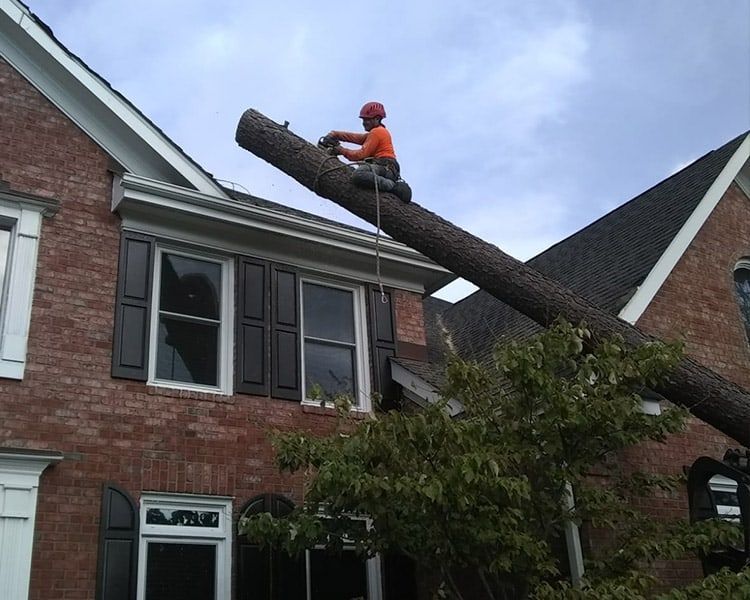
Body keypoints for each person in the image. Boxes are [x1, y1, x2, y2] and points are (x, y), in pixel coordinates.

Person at [327, 102, 412, 202]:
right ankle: (385, 183)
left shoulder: (377, 132)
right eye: (363, 119)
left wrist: (341, 150)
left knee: (359, 174)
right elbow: (354, 137)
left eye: (367, 119)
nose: (364, 122)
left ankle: (390, 185)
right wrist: (335, 134)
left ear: (377, 119)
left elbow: (361, 154)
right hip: (387, 168)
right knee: (362, 172)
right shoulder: (376, 133)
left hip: (385, 168)